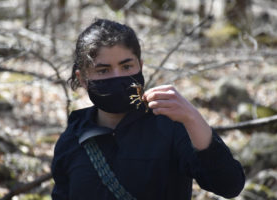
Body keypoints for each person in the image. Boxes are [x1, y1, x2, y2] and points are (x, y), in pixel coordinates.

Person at [51, 18, 245, 200]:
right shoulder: (72, 139)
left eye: (127, 66)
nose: (117, 77)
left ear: (140, 66)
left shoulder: (170, 124)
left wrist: (193, 118)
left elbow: (229, 185)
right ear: (83, 78)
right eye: (103, 70)